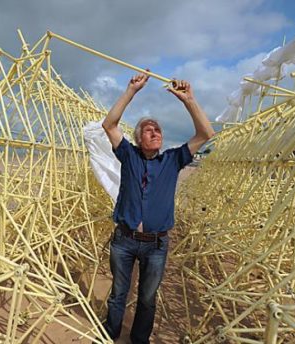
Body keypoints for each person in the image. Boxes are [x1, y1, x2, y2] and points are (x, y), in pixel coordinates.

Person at [101, 71, 214, 343]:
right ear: (139, 138)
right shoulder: (128, 155)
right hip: (124, 241)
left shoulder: (173, 160)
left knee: (148, 299)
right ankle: (109, 336)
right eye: (149, 129)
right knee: (118, 294)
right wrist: (131, 91)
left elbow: (206, 133)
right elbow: (109, 125)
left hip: (156, 245)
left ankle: (139, 340)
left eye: (158, 129)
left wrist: (189, 100)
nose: (155, 132)